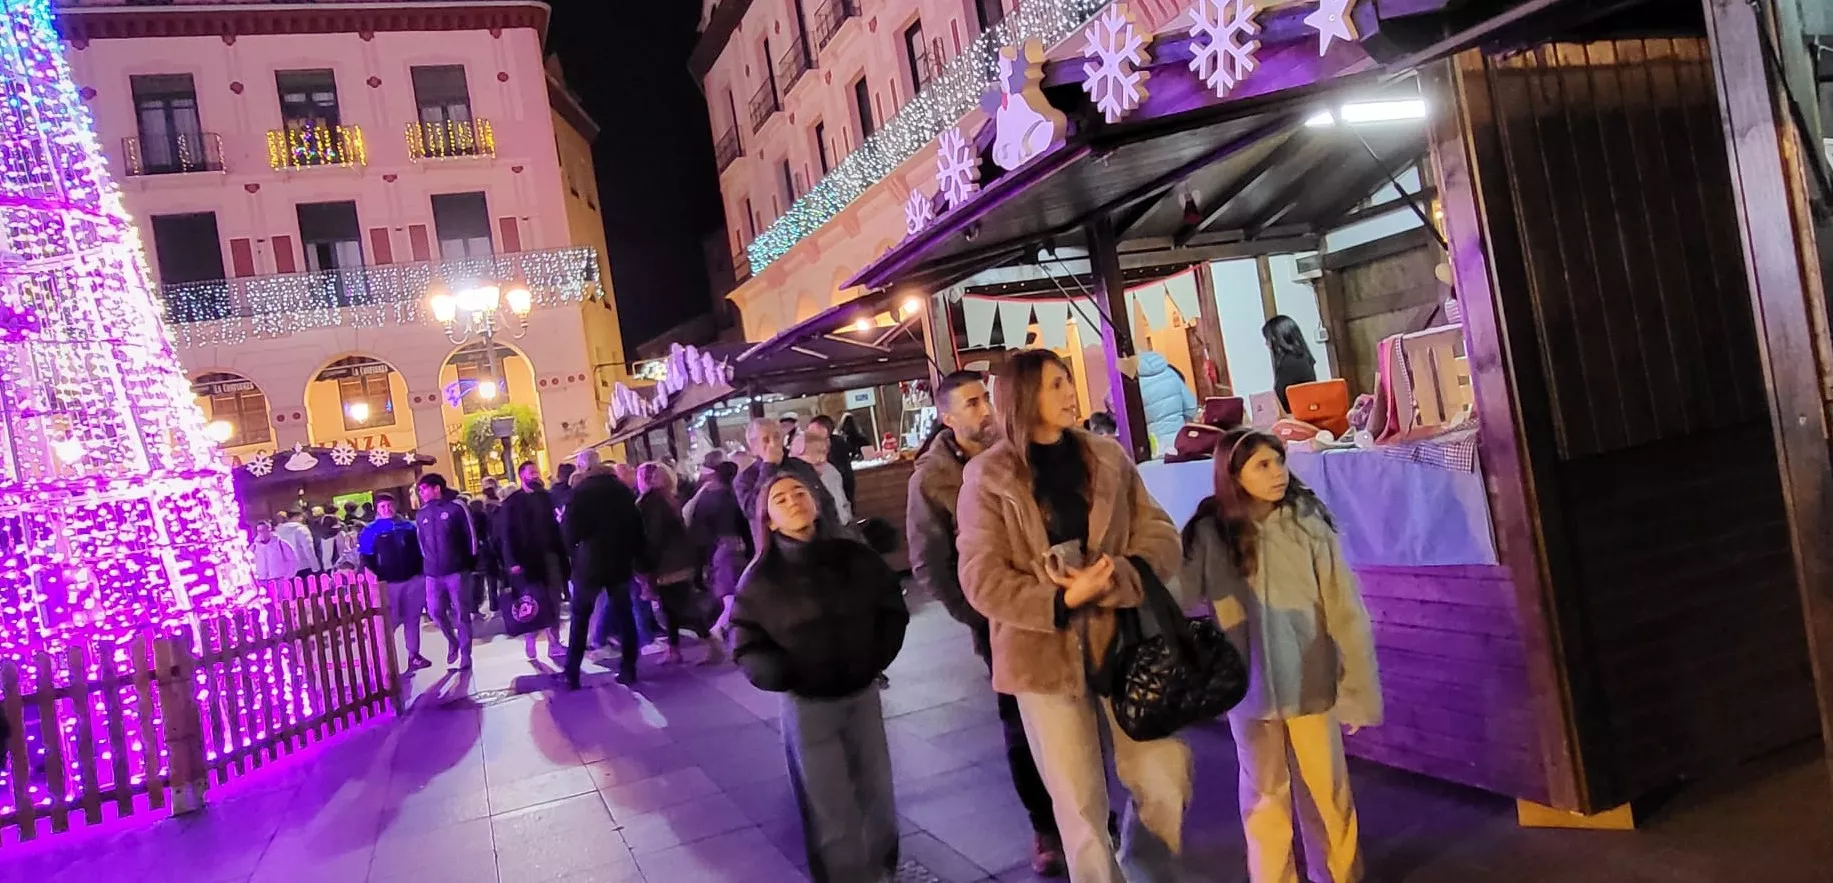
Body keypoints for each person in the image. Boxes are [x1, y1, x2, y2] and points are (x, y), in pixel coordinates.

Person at [957, 349, 1190, 883]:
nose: (1070, 391)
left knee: (1162, 781)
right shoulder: (989, 477)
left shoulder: (1106, 456)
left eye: (1067, 381)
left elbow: (1159, 532)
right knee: (1080, 804)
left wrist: (1117, 576)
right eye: (1055, 384)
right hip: (1042, 657)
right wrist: (1060, 599)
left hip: (1125, 642)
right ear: (1022, 398)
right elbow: (980, 577)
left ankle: (1142, 868)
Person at [1181, 428, 1380, 883]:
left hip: (1311, 679)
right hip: (1247, 687)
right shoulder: (1212, 533)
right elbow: (1180, 592)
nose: (1278, 473)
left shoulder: (1308, 523)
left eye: (1280, 460)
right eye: (1262, 465)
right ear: (1234, 475)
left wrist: (1354, 686)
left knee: (1327, 791)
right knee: (1264, 794)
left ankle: (1339, 875)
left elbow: (1344, 608)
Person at [908, 370, 1066, 877]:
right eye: (972, 403)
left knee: (1073, 711)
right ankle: (1046, 824)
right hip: (998, 619)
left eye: (987, 400)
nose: (985, 411)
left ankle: (1088, 813)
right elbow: (929, 562)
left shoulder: (1020, 451)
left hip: (1059, 601)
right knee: (1021, 724)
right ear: (947, 417)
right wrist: (979, 613)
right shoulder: (931, 479)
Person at [730, 471, 909, 883]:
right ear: (769, 520)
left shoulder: (854, 558)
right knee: (829, 806)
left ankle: (884, 871)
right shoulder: (760, 580)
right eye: (780, 499)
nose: (793, 500)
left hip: (861, 693)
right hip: (808, 705)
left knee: (877, 793)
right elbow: (745, 642)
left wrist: (874, 657)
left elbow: (889, 607)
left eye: (800, 492)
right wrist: (784, 674)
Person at [563, 458, 649, 687]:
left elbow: (570, 532)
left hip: (590, 562)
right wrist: (637, 554)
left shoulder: (580, 493)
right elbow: (636, 525)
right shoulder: (621, 491)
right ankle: (629, 667)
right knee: (624, 614)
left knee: (580, 618)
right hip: (619, 558)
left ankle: (572, 672)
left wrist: (574, 552)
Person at [635, 462, 720, 666]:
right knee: (670, 607)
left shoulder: (652, 502)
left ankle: (710, 643)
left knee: (681, 605)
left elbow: (654, 535)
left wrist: (646, 564)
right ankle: (674, 649)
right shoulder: (667, 498)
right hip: (677, 560)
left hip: (667, 563)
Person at [496, 461, 568, 660]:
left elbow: (557, 526)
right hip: (526, 561)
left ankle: (554, 642)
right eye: (532, 473)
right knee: (531, 601)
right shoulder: (512, 503)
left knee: (553, 600)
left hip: (550, 557)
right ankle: (530, 640)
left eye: (537, 472)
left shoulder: (547, 498)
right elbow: (506, 534)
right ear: (522, 476)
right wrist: (512, 561)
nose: (536, 476)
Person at [415, 474, 479, 670]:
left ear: (436, 488)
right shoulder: (421, 513)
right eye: (420, 490)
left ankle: (466, 653)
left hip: (456, 570)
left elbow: (471, 536)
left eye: (424, 488)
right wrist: (428, 564)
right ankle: (452, 641)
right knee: (435, 611)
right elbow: (422, 543)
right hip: (433, 573)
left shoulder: (456, 507)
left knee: (461, 612)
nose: (421, 493)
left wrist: (469, 563)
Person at [359, 494, 428, 673]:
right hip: (388, 583)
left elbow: (421, 550)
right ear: (377, 508)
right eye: (382, 506)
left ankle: (414, 655)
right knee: (390, 621)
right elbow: (366, 558)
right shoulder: (370, 531)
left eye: (389, 505)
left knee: (412, 619)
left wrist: (421, 573)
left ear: (395, 505)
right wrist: (375, 579)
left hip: (413, 579)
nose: (387, 509)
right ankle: (387, 659)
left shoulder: (409, 526)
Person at [684, 459, 747, 650]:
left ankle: (722, 629)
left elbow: (696, 525)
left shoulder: (706, 498)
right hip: (732, 548)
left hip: (715, 549)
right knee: (732, 596)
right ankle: (718, 628)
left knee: (729, 595)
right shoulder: (731, 497)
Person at [734, 417, 839, 529]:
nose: (773, 444)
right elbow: (754, 511)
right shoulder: (744, 479)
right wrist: (769, 466)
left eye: (776, 437)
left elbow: (825, 501)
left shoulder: (800, 466)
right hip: (775, 543)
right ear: (754, 447)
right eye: (766, 440)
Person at [1137, 351, 1199, 457]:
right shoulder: (1171, 374)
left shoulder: (1134, 383)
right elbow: (1191, 407)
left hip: (1153, 445)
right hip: (1179, 440)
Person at [793, 421, 854, 525]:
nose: (822, 459)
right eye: (815, 453)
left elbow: (842, 502)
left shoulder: (831, 472)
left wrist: (848, 522)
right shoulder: (793, 480)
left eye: (824, 452)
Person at [1263, 314, 1318, 414]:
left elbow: (1279, 400)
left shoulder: (1288, 363)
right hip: (1308, 413)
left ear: (1277, 339)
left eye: (1268, 339)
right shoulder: (1303, 357)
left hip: (1296, 417)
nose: (1266, 344)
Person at [809, 414, 858, 505]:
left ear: (824, 430)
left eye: (812, 430)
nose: (808, 434)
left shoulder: (835, 445)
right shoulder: (836, 442)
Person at [467, 497, 500, 613]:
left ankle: (474, 608)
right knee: (492, 581)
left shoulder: (469, 520)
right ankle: (494, 605)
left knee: (476, 582)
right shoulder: (486, 517)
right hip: (487, 552)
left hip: (475, 555)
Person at [274, 510, 318, 576]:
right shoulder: (301, 529)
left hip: (288, 569)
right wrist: (315, 567)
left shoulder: (277, 532)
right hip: (304, 566)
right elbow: (308, 549)